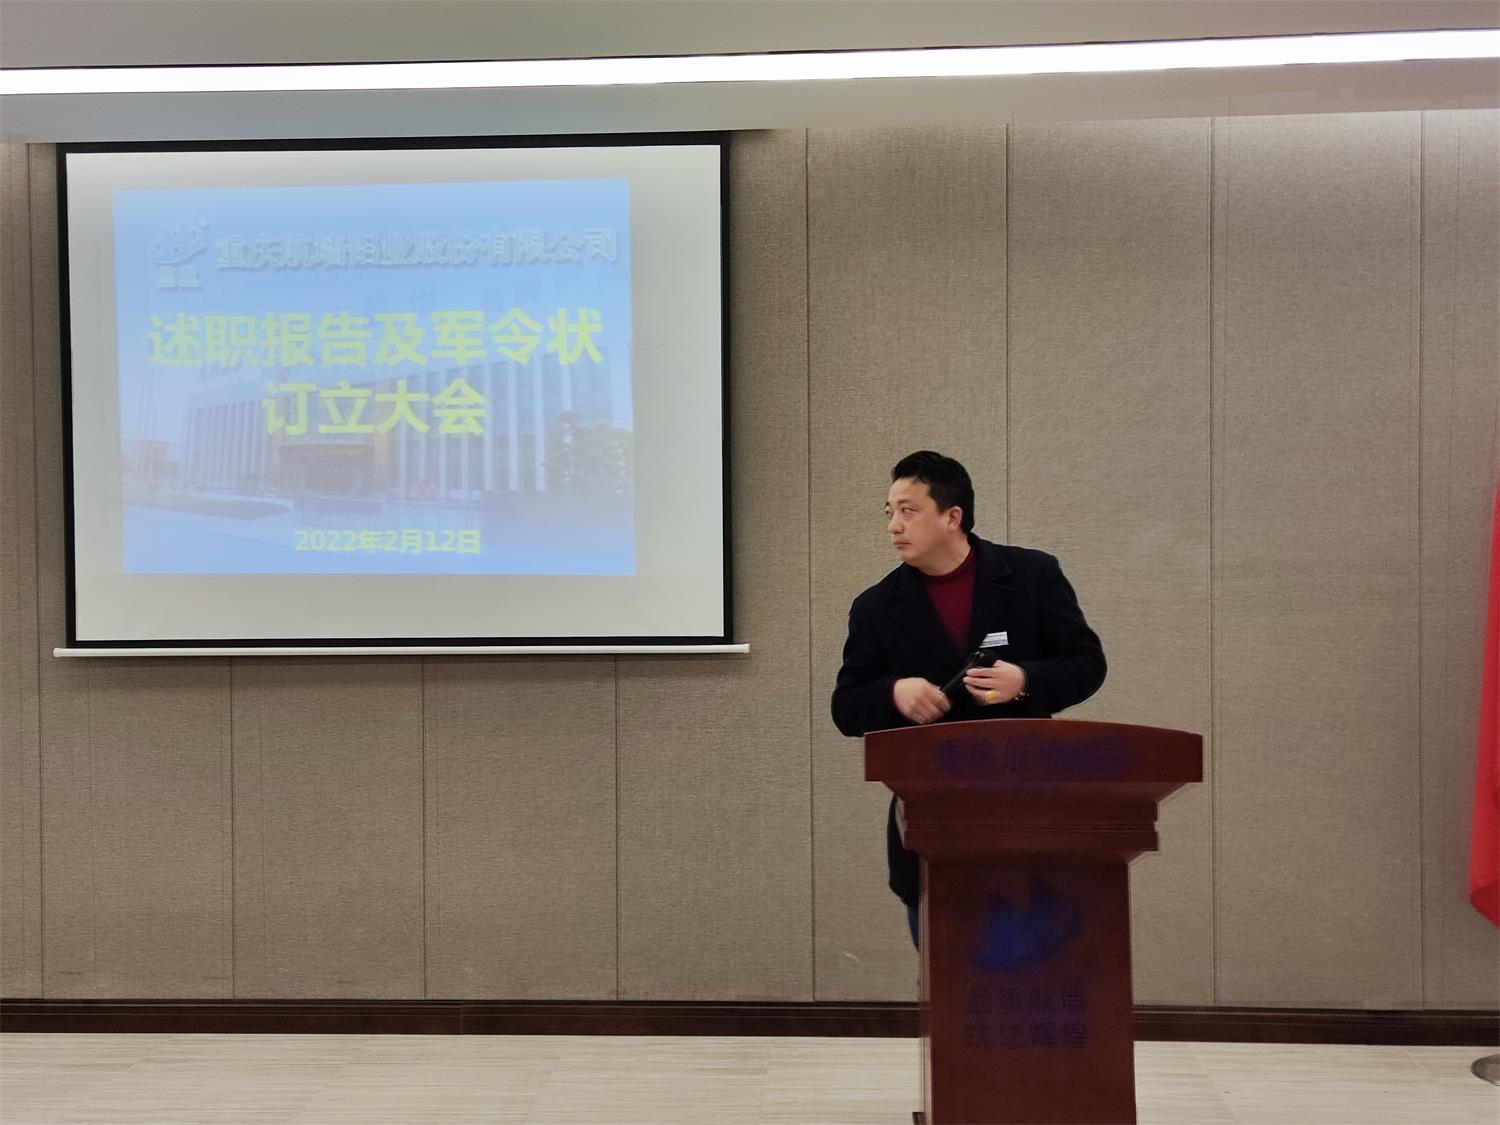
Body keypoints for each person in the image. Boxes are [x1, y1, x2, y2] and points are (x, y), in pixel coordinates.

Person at [830, 451, 1107, 946]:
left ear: (952, 517)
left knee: (1041, 962)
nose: (893, 525)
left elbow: (1088, 664)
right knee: (946, 970)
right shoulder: (876, 607)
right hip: (932, 816)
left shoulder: (1032, 575)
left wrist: (1025, 679)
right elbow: (846, 707)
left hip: (1027, 803)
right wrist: (894, 692)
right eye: (889, 512)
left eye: (908, 510)